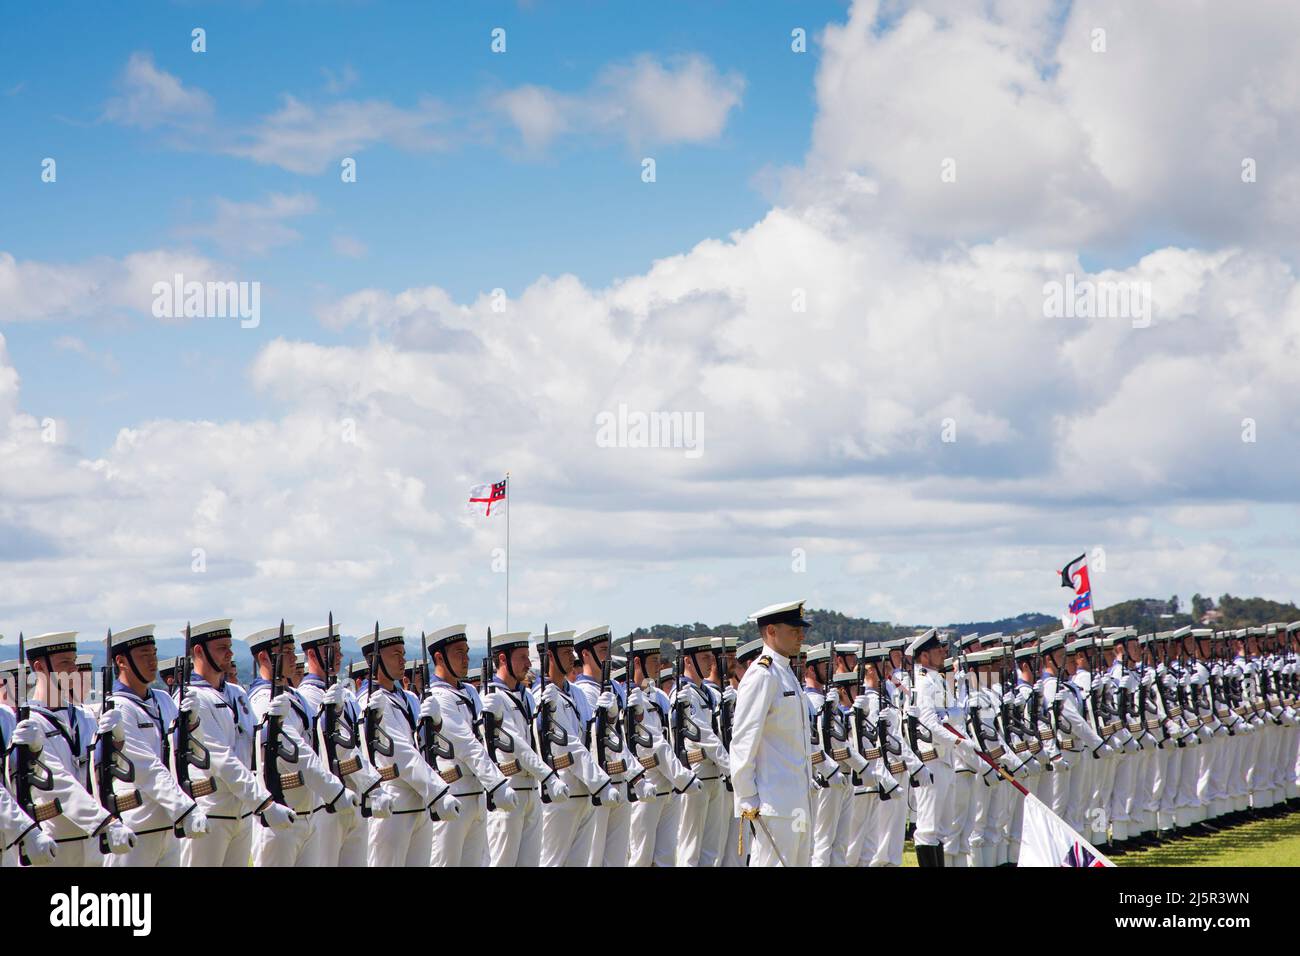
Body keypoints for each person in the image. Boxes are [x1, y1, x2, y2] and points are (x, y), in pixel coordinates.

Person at [179, 620, 297, 866]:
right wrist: (264, 803)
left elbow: (255, 744)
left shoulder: (237, 694)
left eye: (230, 646)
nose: (230, 654)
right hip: (212, 811)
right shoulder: (193, 698)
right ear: (199, 652)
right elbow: (222, 759)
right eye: (222, 647)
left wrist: (275, 723)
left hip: (242, 812)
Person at [99, 624, 208, 866]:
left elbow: (190, 752)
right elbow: (147, 767)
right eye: (143, 656)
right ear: (121, 661)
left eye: (154, 654)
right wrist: (185, 809)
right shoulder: (118, 707)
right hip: (136, 825)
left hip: (169, 824)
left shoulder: (163, 700)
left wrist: (193, 724)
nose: (153, 662)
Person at [295, 621, 392, 867]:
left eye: (338, 649)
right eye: (332, 650)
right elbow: (341, 747)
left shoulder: (345, 694)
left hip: (356, 798)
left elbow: (358, 742)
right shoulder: (308, 696)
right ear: (311, 654)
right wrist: (373, 785)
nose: (338, 655)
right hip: (329, 802)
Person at [729, 601, 814, 867]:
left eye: (801, 630)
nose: (801, 636)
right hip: (773, 804)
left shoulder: (785, 672)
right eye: (794, 630)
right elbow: (743, 741)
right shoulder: (762, 675)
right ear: (771, 631)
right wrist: (748, 799)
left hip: (797, 800)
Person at [424, 624, 516, 866]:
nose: (465, 659)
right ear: (439, 658)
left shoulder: (470, 693)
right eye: (458, 653)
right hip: (453, 795)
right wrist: (497, 784)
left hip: (477, 795)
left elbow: (486, 739)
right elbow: (467, 745)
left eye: (466, 652)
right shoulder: (438, 697)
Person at [482, 631, 571, 866]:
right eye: (521, 657)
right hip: (508, 789)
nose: (528, 663)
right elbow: (518, 747)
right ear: (503, 660)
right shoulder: (493, 698)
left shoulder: (526, 696)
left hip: (531, 789)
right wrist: (549, 777)